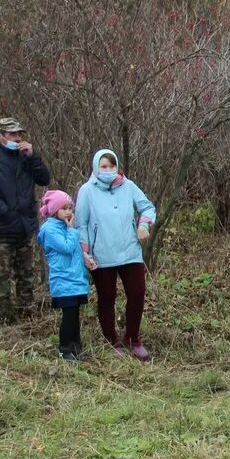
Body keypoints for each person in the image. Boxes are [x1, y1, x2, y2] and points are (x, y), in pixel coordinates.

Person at [0, 116, 52, 322]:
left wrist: (33, 157)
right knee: (0, 278)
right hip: (0, 228)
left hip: (25, 226)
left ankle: (28, 317)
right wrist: (1, 208)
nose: (18, 137)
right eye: (13, 134)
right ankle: (1, 319)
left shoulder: (26, 157)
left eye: (19, 133)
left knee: (26, 275)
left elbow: (44, 179)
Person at [75, 149, 156, 360]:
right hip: (102, 254)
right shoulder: (87, 190)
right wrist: (85, 251)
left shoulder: (128, 186)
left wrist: (144, 225)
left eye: (112, 166)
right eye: (104, 167)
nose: (108, 171)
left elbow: (147, 207)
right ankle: (112, 341)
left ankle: (133, 338)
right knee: (107, 297)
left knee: (137, 293)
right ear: (95, 168)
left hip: (130, 251)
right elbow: (81, 223)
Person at [36, 190, 92, 361]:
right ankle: (64, 349)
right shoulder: (50, 230)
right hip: (63, 281)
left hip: (75, 280)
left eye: (70, 208)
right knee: (68, 317)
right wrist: (71, 230)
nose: (69, 212)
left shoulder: (65, 228)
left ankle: (76, 349)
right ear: (54, 210)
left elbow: (75, 252)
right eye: (64, 208)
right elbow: (67, 248)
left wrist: (86, 260)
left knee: (75, 316)